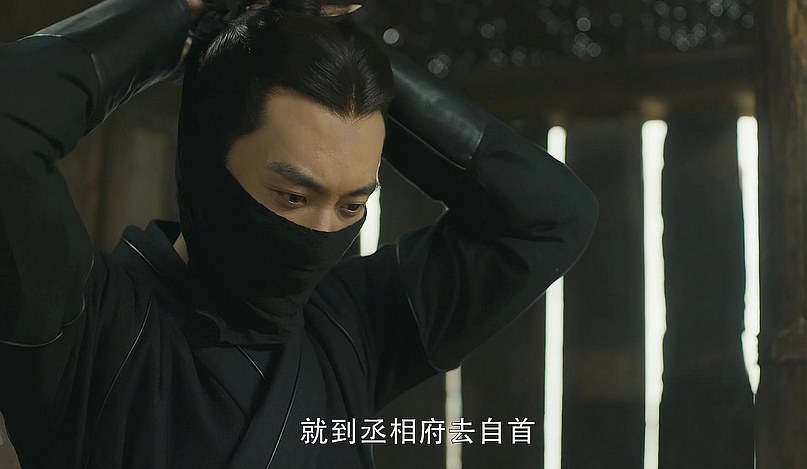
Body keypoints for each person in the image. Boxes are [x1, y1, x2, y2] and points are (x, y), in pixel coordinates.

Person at [0, 0, 599, 467]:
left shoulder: (352, 327)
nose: (320, 233)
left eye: (351, 205)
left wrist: (337, 46)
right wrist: (190, 14)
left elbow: (547, 217)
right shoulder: (86, 328)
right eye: (293, 196)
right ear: (209, 164)